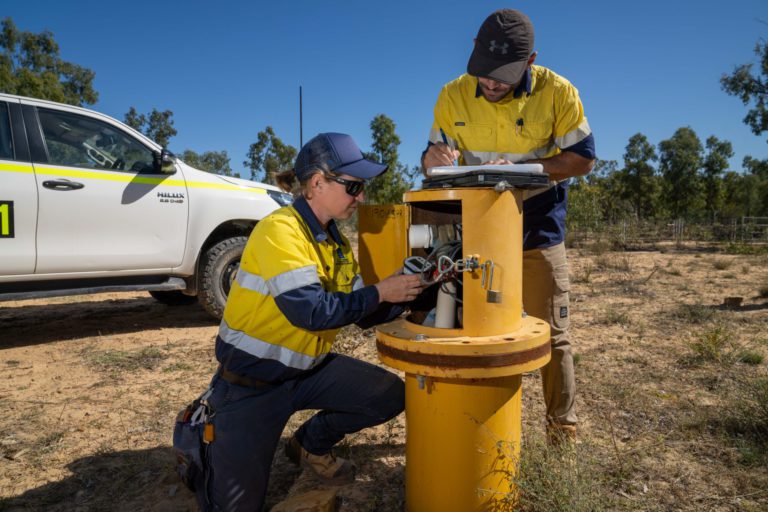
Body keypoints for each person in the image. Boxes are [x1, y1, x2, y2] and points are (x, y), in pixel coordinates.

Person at [200, 132, 425, 511]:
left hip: (307, 371)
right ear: (317, 183)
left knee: (388, 395)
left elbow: (361, 309)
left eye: (362, 187)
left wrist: (414, 291)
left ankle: (308, 444)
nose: (361, 197)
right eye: (353, 186)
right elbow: (311, 312)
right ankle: (209, 436)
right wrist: (382, 292)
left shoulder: (335, 242)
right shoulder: (280, 231)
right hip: (252, 386)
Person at [422, 9, 596, 443]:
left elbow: (583, 159)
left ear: (531, 60)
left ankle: (563, 432)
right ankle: (472, 430)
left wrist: (527, 168)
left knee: (552, 336)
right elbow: (431, 155)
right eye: (484, 72)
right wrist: (433, 160)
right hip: (476, 231)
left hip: (537, 226)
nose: (491, 83)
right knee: (470, 330)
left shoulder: (560, 93)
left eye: (502, 75)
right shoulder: (451, 94)